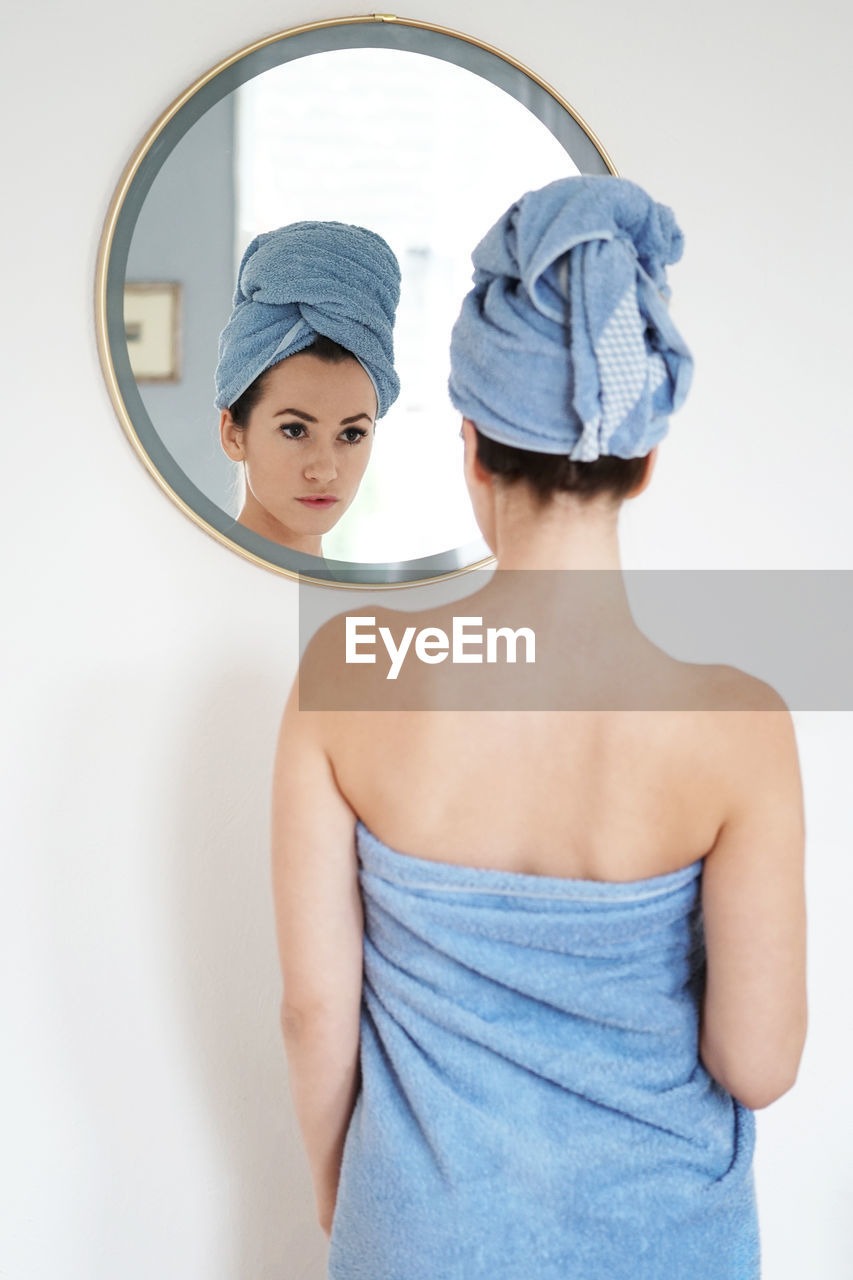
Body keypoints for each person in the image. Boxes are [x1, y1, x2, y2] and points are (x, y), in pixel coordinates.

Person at [270, 177, 807, 1278]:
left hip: (420, 1235)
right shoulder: (736, 726)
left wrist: (350, 1201)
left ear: (470, 444)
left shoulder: (349, 673)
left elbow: (314, 1004)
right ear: (645, 460)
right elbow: (755, 1061)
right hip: (666, 1241)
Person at [214, 220, 401, 555]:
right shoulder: (176, 590)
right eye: (295, 430)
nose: (325, 471)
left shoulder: (365, 603)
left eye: (352, 434)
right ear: (233, 435)